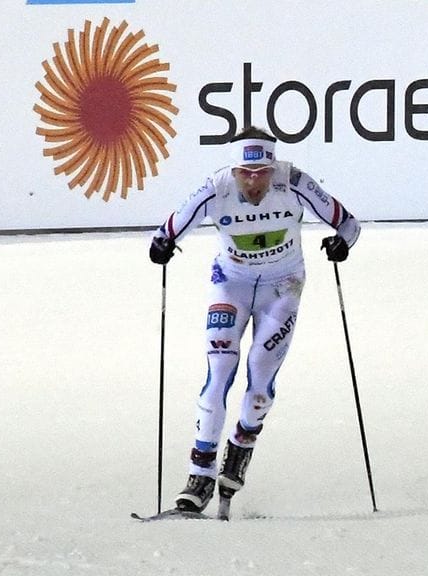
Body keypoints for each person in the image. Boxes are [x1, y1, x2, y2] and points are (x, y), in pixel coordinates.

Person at [148, 126, 360, 513]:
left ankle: (239, 452)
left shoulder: (294, 182)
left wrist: (341, 243)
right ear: (233, 171)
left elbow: (348, 223)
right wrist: (161, 245)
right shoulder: (216, 188)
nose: (254, 181)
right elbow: (168, 230)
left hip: (284, 285)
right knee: (219, 372)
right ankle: (200, 474)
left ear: (273, 166)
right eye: (246, 173)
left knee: (260, 377)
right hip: (231, 283)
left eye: (262, 172)